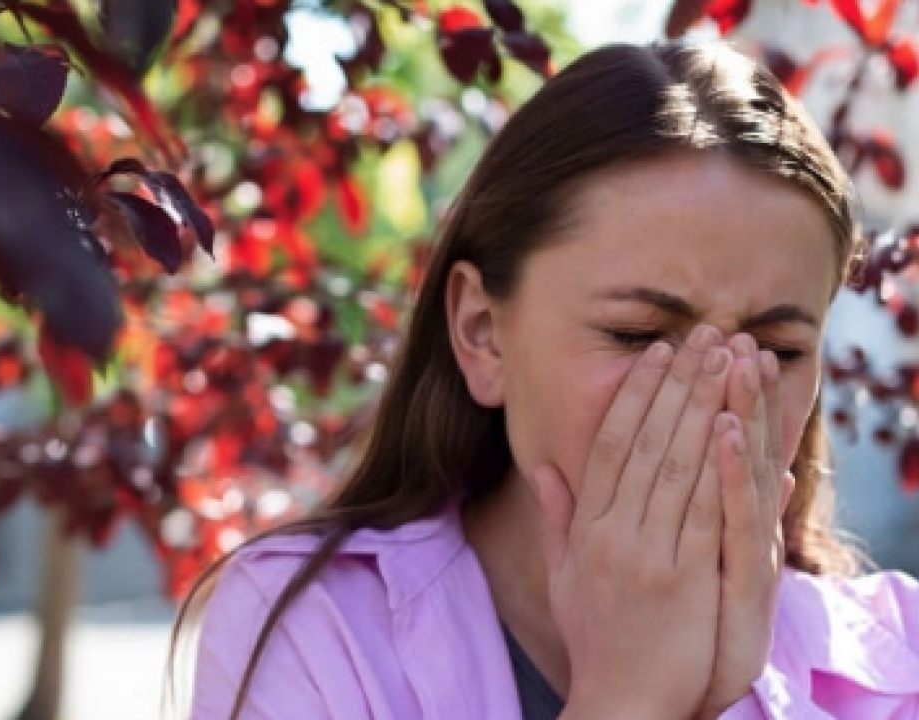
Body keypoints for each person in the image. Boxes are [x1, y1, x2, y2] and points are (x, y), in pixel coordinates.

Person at [170, 41, 919, 720]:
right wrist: (627, 700)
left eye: (778, 351)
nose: (716, 400)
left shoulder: (902, 657)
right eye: (637, 335)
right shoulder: (312, 629)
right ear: (482, 332)